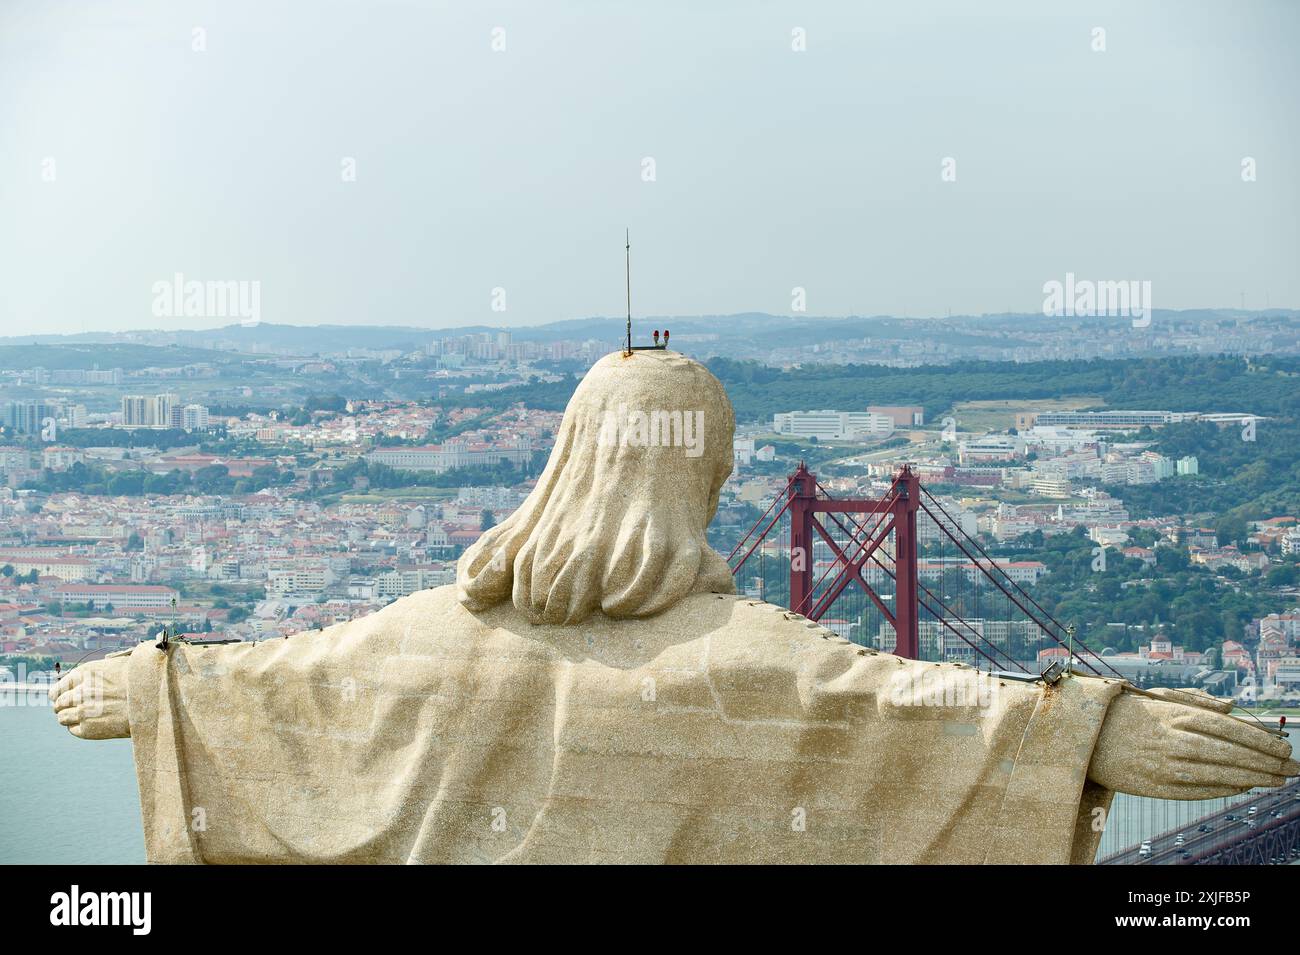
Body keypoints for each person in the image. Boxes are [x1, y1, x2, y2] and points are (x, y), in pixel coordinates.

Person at [51, 350, 1297, 863]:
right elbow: (915, 711)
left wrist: (148, 689)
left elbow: (277, 683)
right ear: (698, 473)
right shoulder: (752, 663)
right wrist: (1093, 730)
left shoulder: (416, 640)